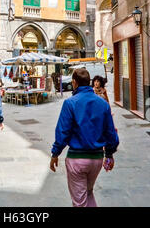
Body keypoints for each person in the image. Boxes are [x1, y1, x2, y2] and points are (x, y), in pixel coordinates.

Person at [49, 68, 119, 207]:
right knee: (88, 193)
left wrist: (55, 153)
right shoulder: (102, 103)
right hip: (96, 160)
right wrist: (109, 153)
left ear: (74, 82)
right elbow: (111, 132)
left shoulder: (70, 103)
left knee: (79, 202)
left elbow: (63, 132)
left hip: (77, 160)